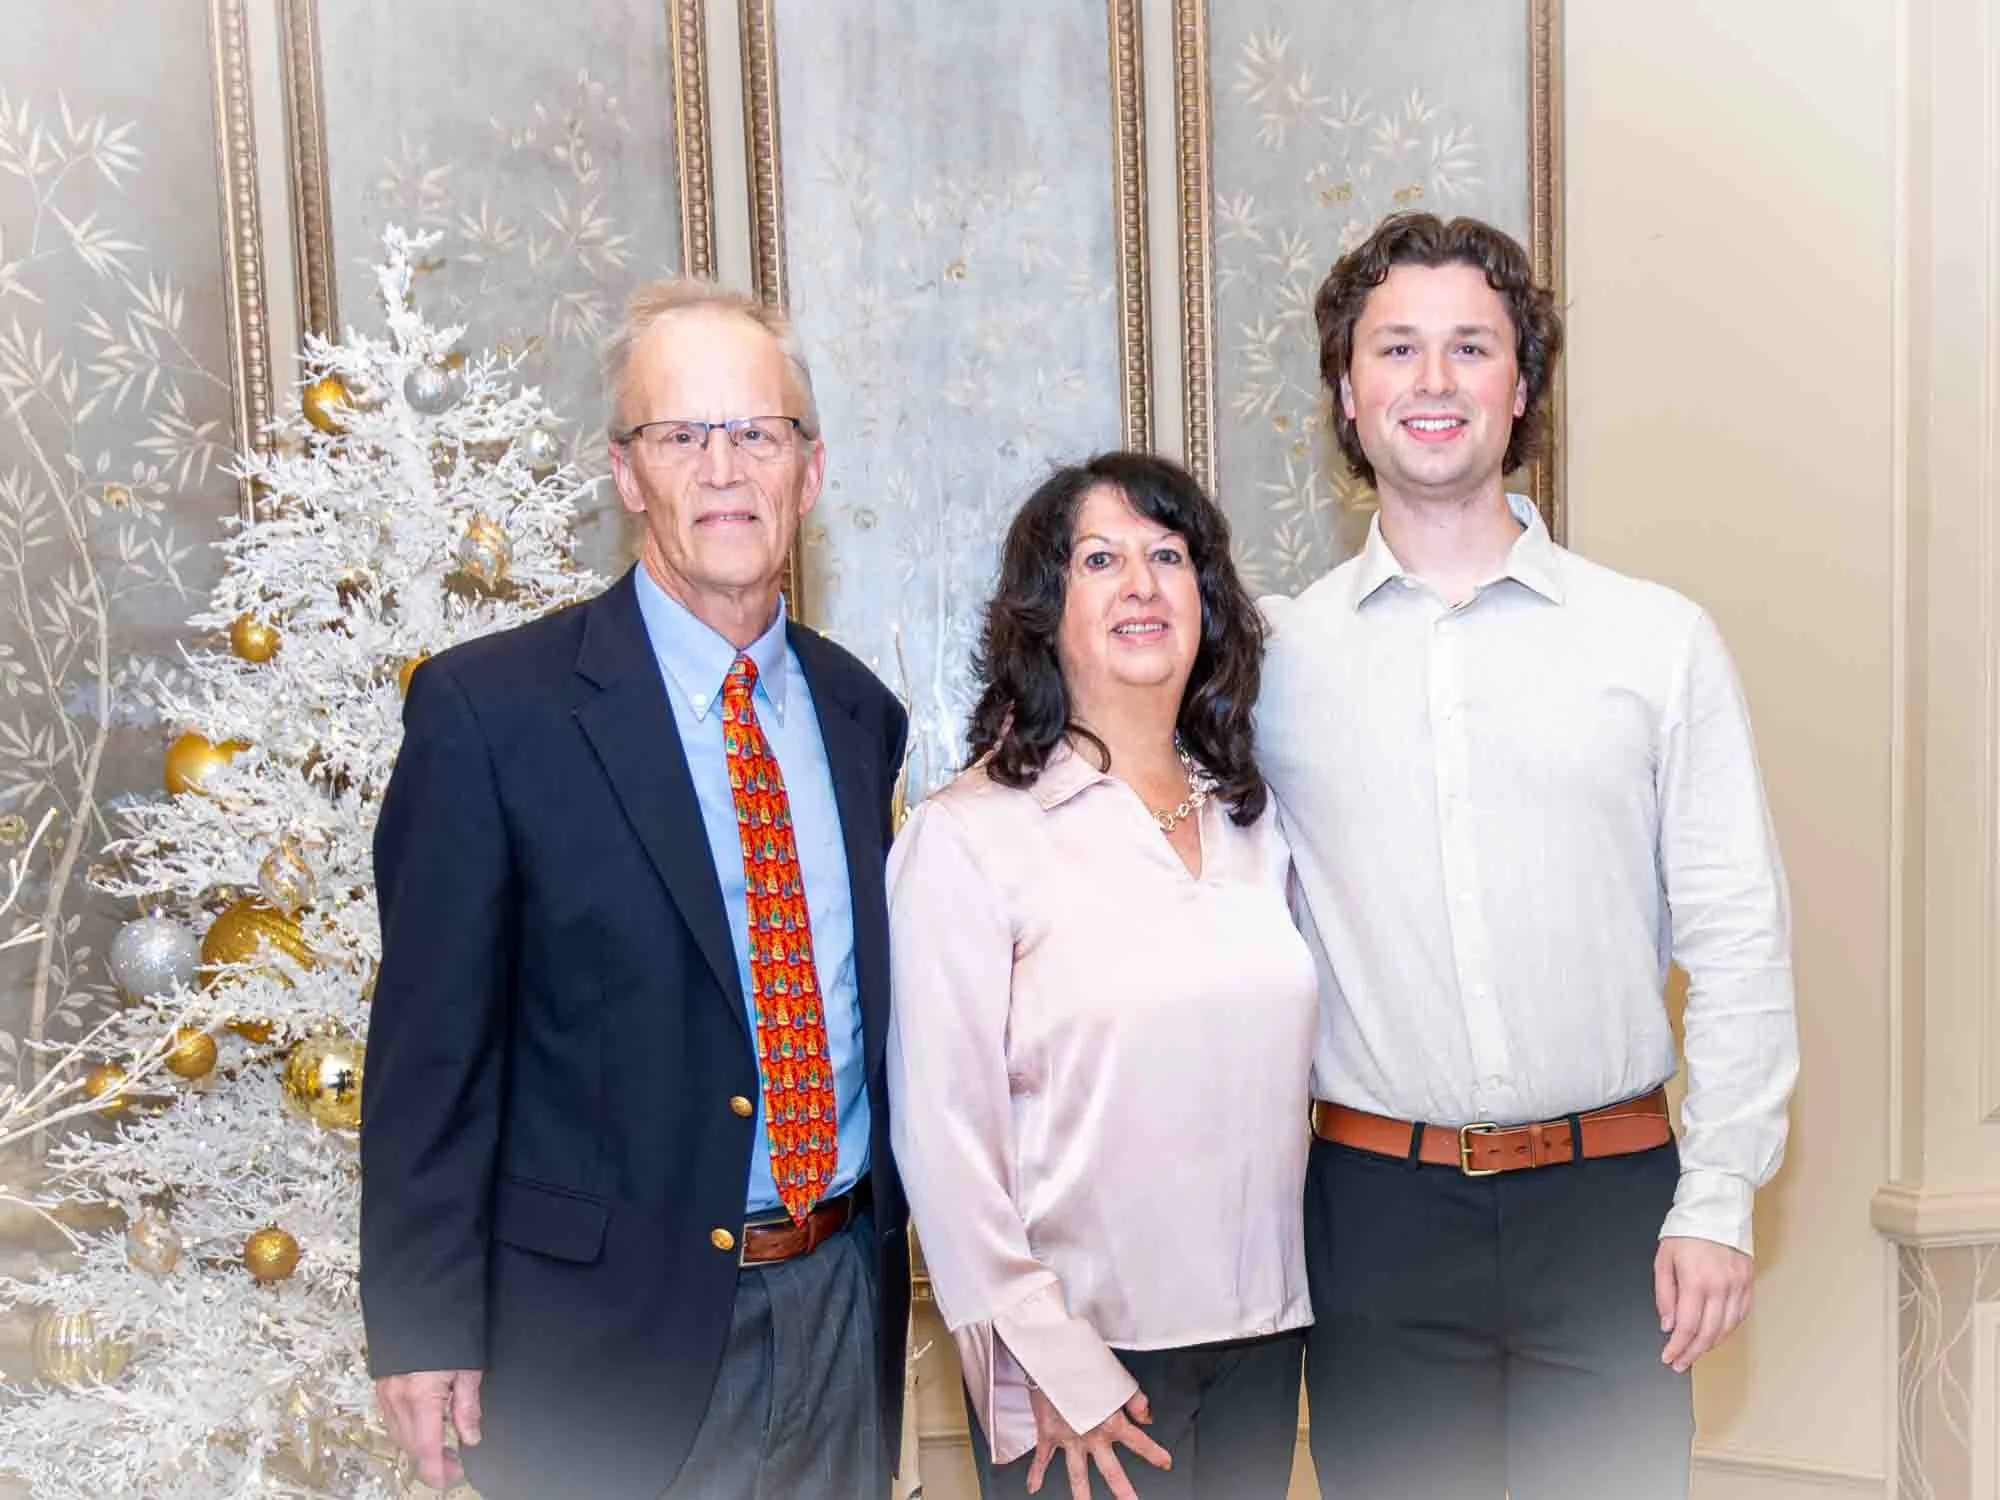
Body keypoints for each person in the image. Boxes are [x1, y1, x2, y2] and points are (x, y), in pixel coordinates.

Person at [1257, 210, 1799, 1500]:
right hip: (1372, 1219)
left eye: (1470, 346)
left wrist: (1717, 1194)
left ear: (1519, 388)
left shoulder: (1653, 642)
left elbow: (1735, 937)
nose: (1432, 380)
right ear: (1347, 394)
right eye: (1395, 348)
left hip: (1611, 1212)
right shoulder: (1273, 662)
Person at [359, 281, 910, 1500]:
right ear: (625, 474)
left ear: (808, 473)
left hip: (839, 1300)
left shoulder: (859, 715)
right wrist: (420, 1319)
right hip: (599, 1340)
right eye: (680, 434)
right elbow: (430, 1050)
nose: (723, 469)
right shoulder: (491, 714)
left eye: (756, 432)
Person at [888, 452, 1316, 1500]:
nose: (1140, 585)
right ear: (1043, 612)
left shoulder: (1258, 821)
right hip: (1083, 1370)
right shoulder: (971, 834)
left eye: (1168, 557)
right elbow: (942, 1133)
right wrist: (1039, 1354)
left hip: (1266, 1342)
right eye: (1098, 560)